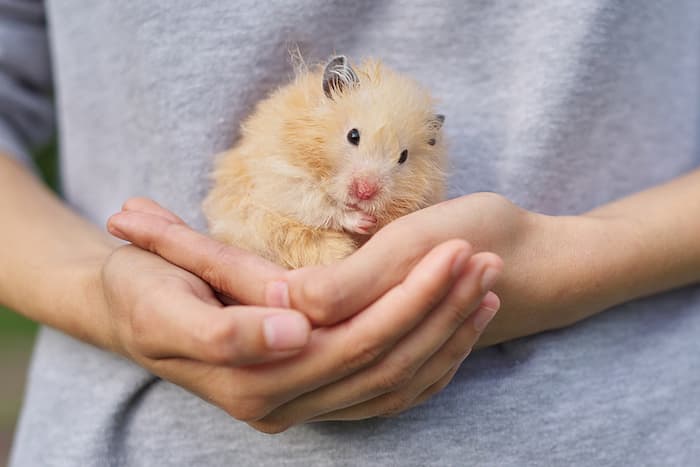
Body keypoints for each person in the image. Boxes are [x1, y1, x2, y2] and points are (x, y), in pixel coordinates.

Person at [2, 1, 699, 465]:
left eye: (399, 161)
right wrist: (98, 296)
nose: (371, 179)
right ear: (329, 94)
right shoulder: (293, 126)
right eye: (358, 140)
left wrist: (575, 263)